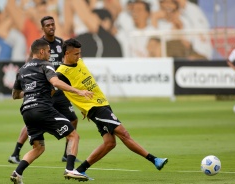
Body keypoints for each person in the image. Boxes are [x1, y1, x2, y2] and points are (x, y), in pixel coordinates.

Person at [56, 38, 168, 178]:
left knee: (110, 143)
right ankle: (154, 159)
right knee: (124, 133)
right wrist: (80, 101)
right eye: (76, 54)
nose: (79, 57)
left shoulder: (79, 62)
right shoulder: (61, 73)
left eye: (80, 53)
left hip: (102, 104)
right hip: (95, 108)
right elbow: (56, 86)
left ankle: (80, 169)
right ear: (66, 53)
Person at [10, 39, 93, 184]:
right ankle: (70, 168)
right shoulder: (45, 65)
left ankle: (17, 172)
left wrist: (30, 92)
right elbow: (55, 82)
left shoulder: (22, 69)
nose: (50, 54)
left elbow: (15, 95)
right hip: (42, 109)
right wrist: (78, 91)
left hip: (27, 112)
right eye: (49, 51)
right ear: (41, 51)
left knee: (39, 147)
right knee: (73, 135)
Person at [8, 16, 80, 164]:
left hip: (58, 88)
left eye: (53, 24)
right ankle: (16, 152)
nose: (51, 27)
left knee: (73, 119)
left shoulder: (61, 43)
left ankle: (67, 154)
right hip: (44, 88)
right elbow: (30, 63)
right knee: (35, 118)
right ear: (43, 28)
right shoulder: (39, 45)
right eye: (47, 25)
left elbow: (66, 61)